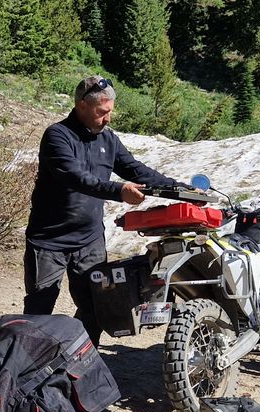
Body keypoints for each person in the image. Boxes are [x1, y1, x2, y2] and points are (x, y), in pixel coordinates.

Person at [24, 75, 181, 344]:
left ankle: (78, 363)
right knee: (40, 310)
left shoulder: (107, 138)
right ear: (82, 105)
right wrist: (119, 191)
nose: (107, 119)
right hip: (49, 240)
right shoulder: (57, 136)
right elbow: (77, 178)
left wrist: (180, 189)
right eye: (102, 112)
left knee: (96, 308)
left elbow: (135, 169)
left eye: (110, 112)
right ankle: (25, 369)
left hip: (89, 240)